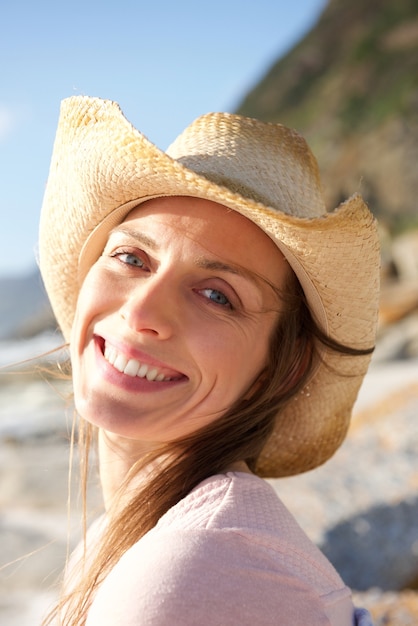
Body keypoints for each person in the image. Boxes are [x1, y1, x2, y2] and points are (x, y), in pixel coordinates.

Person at [38, 96, 380, 625]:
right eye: (132, 258)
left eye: (217, 295)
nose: (142, 311)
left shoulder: (197, 568)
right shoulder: (117, 543)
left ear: (279, 369)